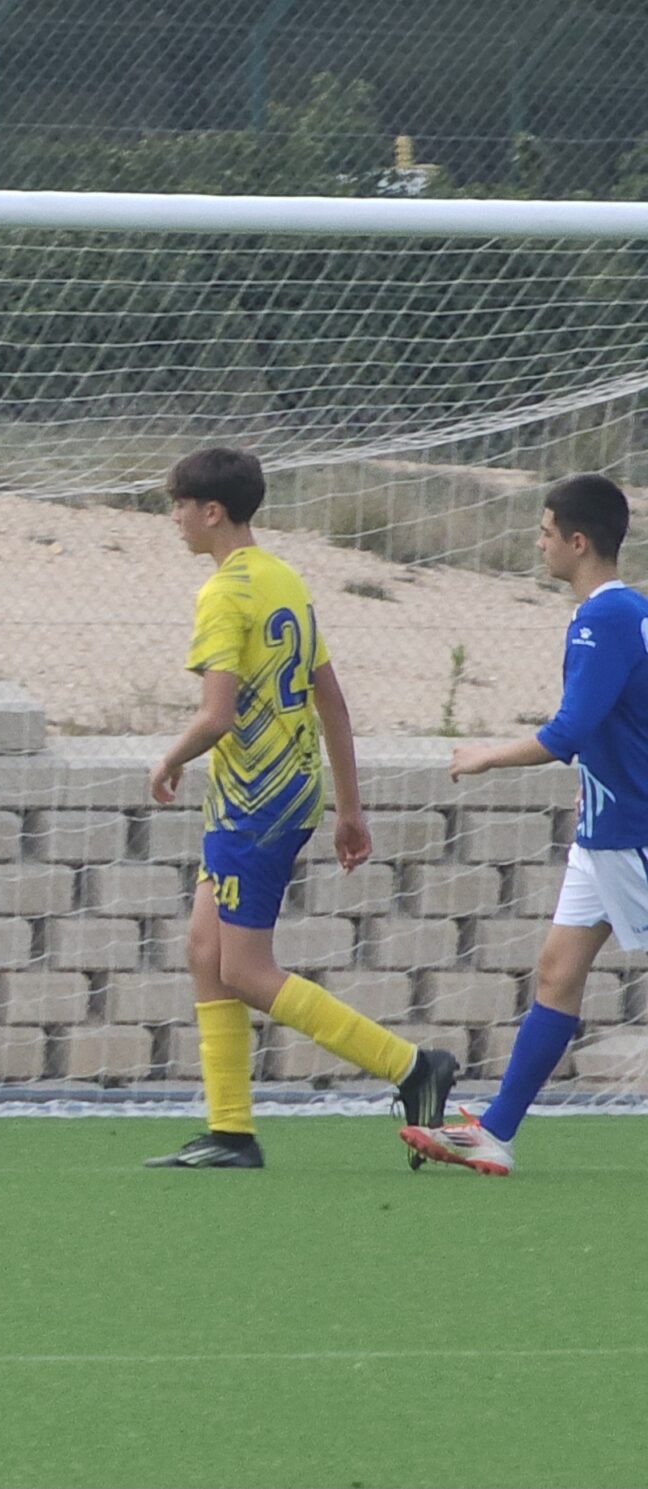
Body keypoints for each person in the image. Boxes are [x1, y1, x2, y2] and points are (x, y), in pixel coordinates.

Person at [143, 446, 457, 1169]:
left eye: (180, 506)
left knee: (247, 970)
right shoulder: (284, 578)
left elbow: (216, 715)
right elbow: (333, 703)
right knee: (204, 950)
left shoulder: (223, 593)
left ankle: (413, 1067)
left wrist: (168, 758)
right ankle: (230, 1133)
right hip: (287, 793)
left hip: (253, 803)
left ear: (212, 511)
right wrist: (348, 808)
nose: (175, 519)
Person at [405, 474, 648, 1177]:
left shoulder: (604, 618)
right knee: (557, 971)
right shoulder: (624, 612)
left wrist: (487, 756)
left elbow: (568, 730)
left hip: (633, 829)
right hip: (603, 830)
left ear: (579, 541)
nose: (538, 543)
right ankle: (495, 1132)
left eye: (546, 532)